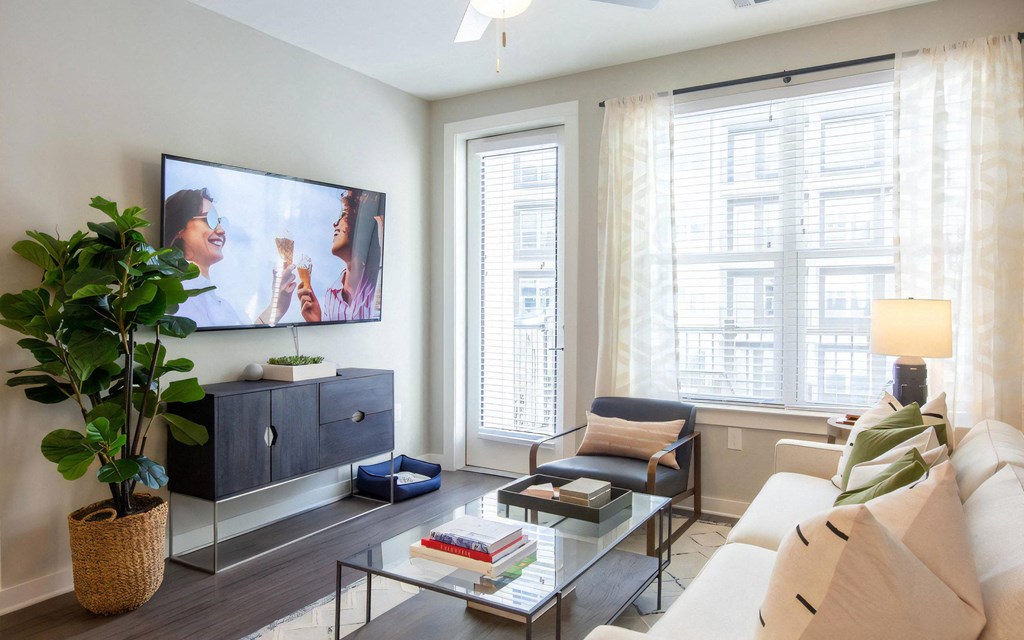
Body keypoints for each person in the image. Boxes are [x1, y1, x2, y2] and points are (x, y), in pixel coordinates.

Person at [164, 188, 296, 327]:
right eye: (210, 220)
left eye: (220, 221)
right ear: (180, 229)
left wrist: (278, 305)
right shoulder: (179, 295)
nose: (221, 230)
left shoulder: (217, 300)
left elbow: (245, 337)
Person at [297, 189, 382, 322]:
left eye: (343, 214)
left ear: (360, 222)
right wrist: (316, 322)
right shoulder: (331, 295)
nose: (334, 224)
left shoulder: (379, 278)